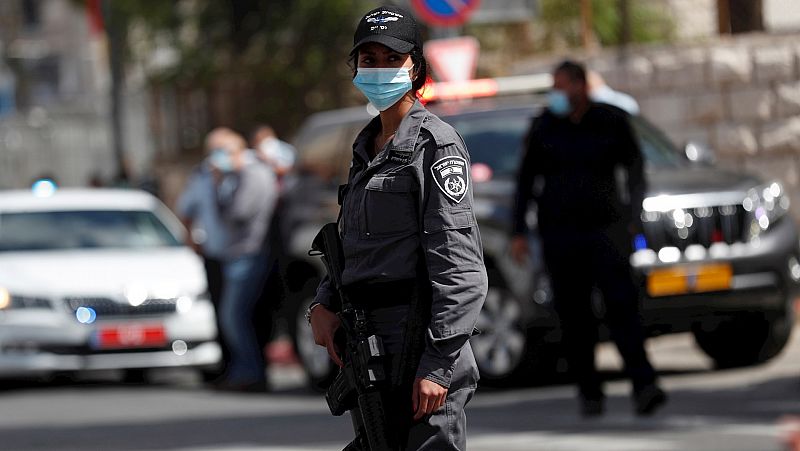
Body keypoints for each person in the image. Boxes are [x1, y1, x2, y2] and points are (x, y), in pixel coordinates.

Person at [308, 5, 487, 449]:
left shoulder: (435, 144)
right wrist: (324, 303)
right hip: (370, 345)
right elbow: (354, 245)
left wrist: (437, 365)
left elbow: (460, 268)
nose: (380, 69)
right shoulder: (367, 147)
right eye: (369, 60)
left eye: (393, 59)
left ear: (416, 68)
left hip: (418, 338)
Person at [510, 60, 667, 417]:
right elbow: (525, 181)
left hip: (606, 232)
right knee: (575, 317)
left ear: (580, 86)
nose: (557, 93)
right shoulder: (544, 127)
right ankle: (590, 393)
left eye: (561, 85)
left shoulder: (610, 120)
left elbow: (636, 167)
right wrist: (519, 231)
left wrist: (633, 215)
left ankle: (644, 386)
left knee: (623, 309)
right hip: (561, 237)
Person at [212, 129, 279, 392]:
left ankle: (250, 372)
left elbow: (238, 213)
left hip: (248, 253)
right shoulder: (245, 174)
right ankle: (246, 371)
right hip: (242, 253)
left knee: (233, 317)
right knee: (237, 317)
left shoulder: (253, 174)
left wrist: (219, 187)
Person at [176, 128, 235, 379]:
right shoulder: (200, 177)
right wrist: (191, 238)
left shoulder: (240, 173)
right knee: (222, 311)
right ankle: (225, 366)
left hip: (242, 253)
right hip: (215, 254)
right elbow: (186, 209)